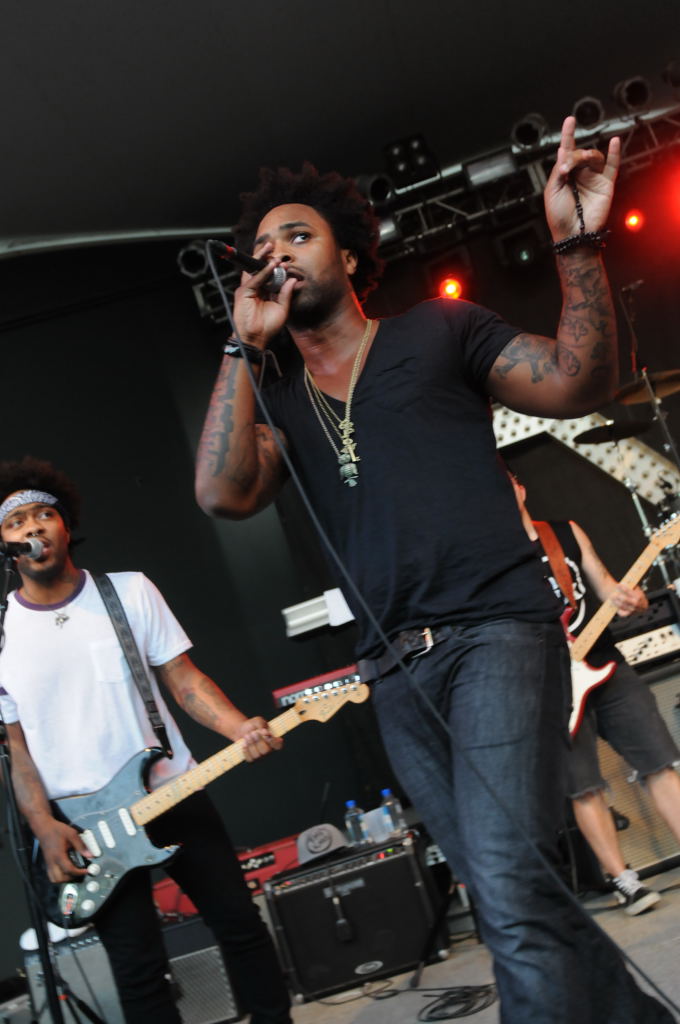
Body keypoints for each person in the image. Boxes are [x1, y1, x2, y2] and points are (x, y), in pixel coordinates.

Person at [195, 117, 675, 1022]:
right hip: (395, 673)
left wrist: (576, 244)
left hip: (496, 631)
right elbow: (221, 494)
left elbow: (578, 382)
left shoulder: (439, 330)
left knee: (510, 882)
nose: (277, 254)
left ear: (348, 254)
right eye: (263, 247)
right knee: (508, 897)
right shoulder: (279, 397)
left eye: (298, 235)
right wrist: (241, 346)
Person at [0, 457, 292, 1024]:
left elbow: (184, 681)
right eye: (16, 522)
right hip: (84, 826)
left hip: (171, 792)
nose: (32, 527)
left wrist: (239, 727)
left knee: (240, 926)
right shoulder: (4, 633)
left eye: (43, 515)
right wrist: (44, 826)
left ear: (65, 525)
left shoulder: (128, 592)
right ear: (6, 544)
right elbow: (18, 752)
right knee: (137, 969)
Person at [511, 473, 680, 915]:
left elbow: (607, 587)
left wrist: (632, 601)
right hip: (549, 684)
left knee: (659, 762)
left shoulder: (564, 533)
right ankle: (625, 881)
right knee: (584, 787)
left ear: (520, 488)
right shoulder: (493, 558)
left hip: (605, 662)